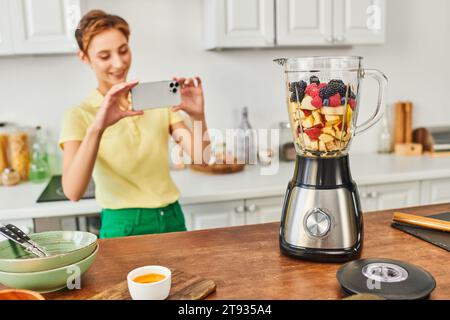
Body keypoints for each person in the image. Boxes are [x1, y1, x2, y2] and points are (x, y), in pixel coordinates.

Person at [59, 10, 210, 238]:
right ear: (85, 58)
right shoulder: (79, 115)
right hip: (121, 225)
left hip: (171, 218)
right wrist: (98, 127)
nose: (118, 63)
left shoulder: (157, 100)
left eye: (123, 51)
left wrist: (198, 116)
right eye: (104, 56)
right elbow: (73, 192)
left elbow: (202, 159)